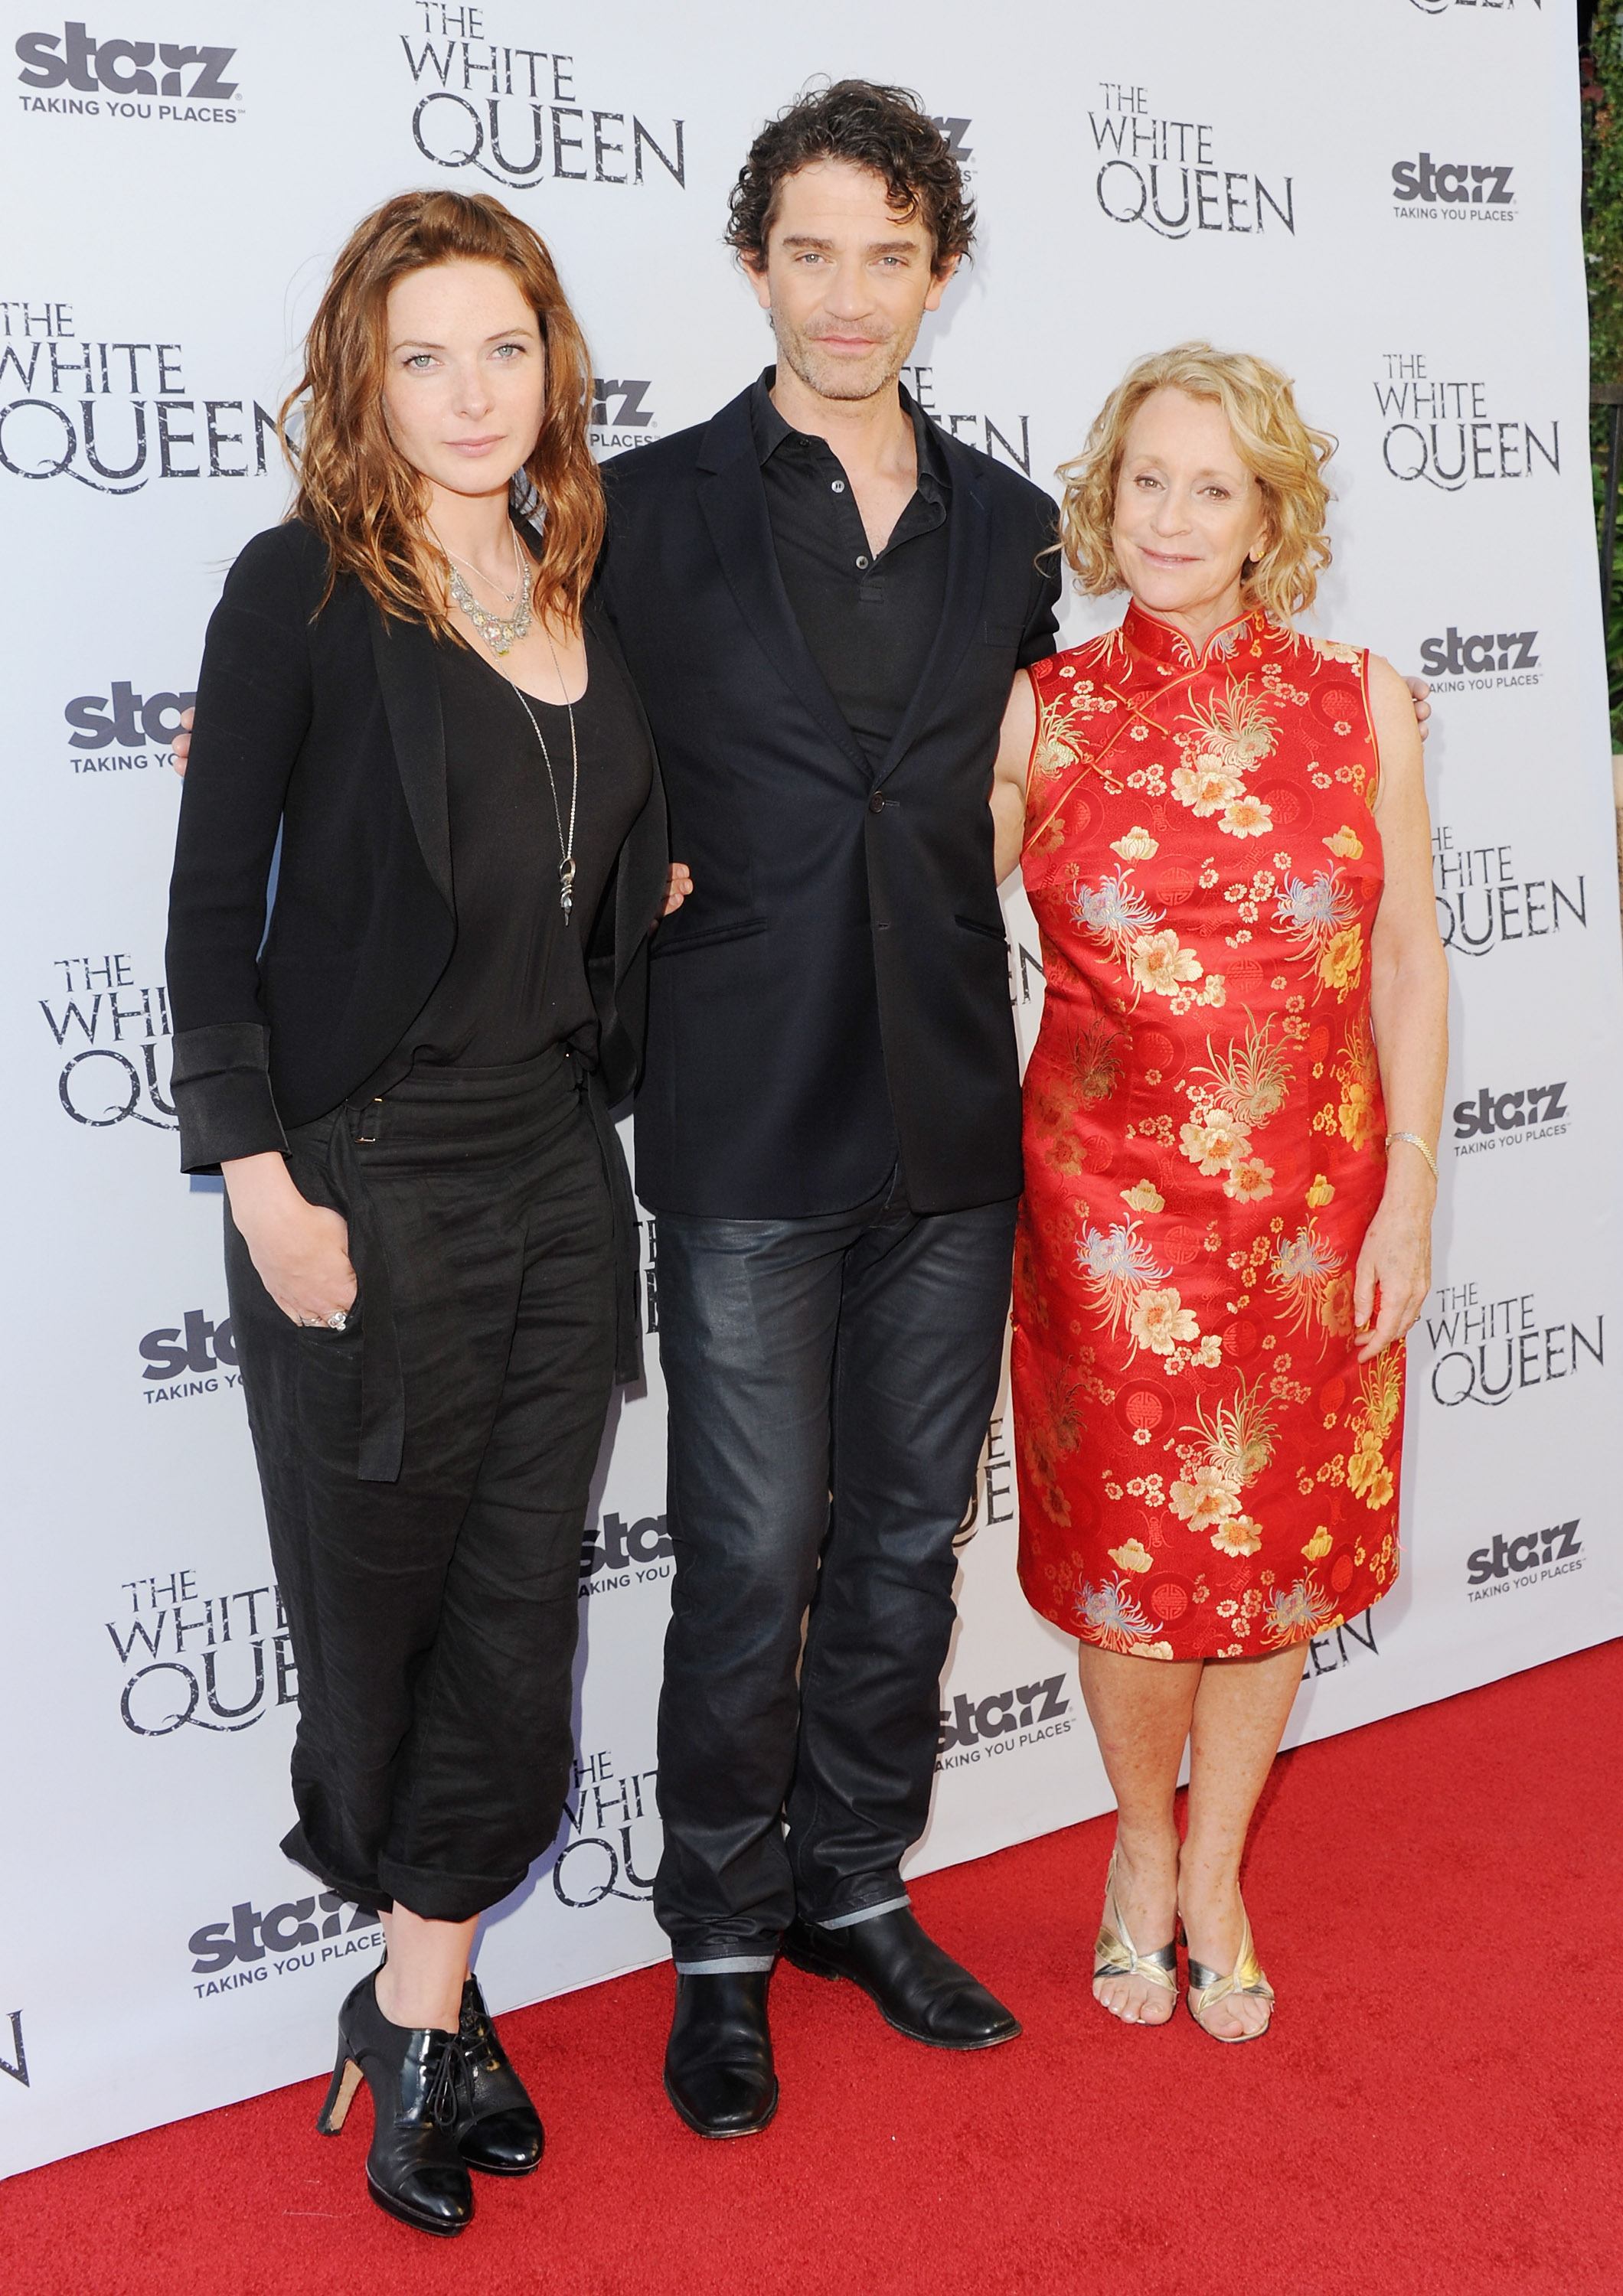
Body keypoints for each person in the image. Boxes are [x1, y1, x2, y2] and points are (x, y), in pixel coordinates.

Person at [164, 189, 675, 2233]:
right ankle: (420, 2005)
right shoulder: (297, 593)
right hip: (364, 1183)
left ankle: (421, 2005)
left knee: (516, 1611)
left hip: (560, 1173)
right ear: (366, 383)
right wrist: (261, 1180)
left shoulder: (580, 579)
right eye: (425, 357)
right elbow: (213, 914)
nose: (473, 395)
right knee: (372, 1620)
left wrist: (631, 909)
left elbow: (595, 848)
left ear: (554, 364)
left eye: (506, 348)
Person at [591, 82, 1061, 2136]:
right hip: (742, 1110)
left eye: (890, 254)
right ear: (755, 264)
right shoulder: (634, 507)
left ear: (939, 270)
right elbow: (524, 736)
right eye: (812, 251)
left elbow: (1049, 784)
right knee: (748, 1543)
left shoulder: (1019, 526)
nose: (850, 293)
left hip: (956, 1110)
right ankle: (717, 1932)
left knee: (898, 1547)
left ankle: (854, 1884)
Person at [989, 344, 1448, 2042]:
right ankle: (1134, 1848)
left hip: (1320, 1215)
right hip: (1109, 1233)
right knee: (1133, 1567)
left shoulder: (1363, 699)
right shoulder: (1039, 710)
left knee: (1279, 1566)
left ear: (1268, 517)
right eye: (1144, 481)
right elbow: (892, 894)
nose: (1171, 517)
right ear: (1104, 501)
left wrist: (1404, 1195)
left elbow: (1406, 959)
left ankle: (1216, 1869)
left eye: (1212, 487)